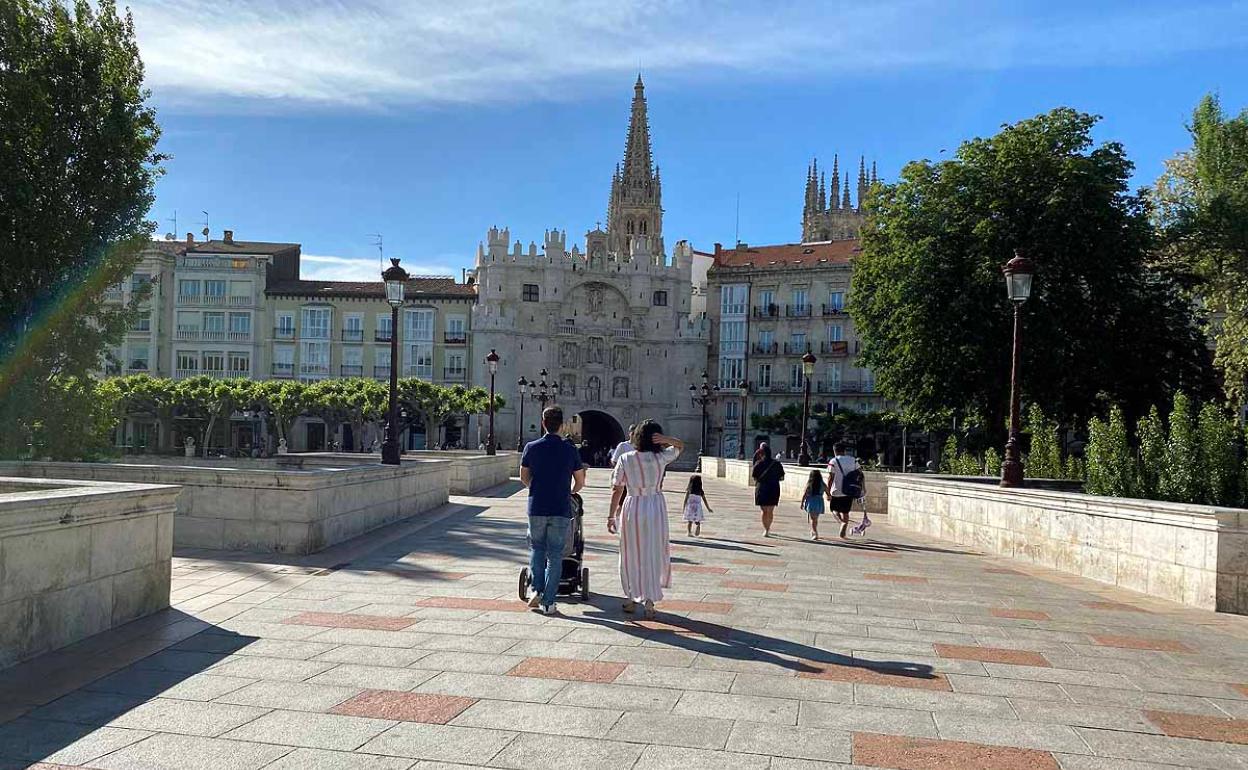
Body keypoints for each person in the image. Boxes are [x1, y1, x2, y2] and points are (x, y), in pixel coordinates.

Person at [608, 421, 684, 619]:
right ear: (656, 438)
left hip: (633, 505)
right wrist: (666, 440)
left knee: (630, 551)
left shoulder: (625, 458)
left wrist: (611, 515)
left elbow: (617, 488)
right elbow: (680, 446)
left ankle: (632, 598)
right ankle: (649, 601)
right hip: (656, 506)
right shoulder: (661, 457)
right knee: (652, 550)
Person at [520, 407, 586, 614]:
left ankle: (536, 590)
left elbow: (524, 477)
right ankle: (549, 602)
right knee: (555, 554)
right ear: (562, 425)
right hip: (560, 507)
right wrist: (570, 491)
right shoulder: (570, 449)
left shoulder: (531, 447)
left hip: (537, 505)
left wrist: (538, 488)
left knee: (537, 549)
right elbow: (580, 481)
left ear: (543, 423)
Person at [827, 441, 865, 538]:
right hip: (849, 490)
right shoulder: (853, 460)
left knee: (834, 509)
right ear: (844, 450)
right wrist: (862, 488)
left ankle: (841, 523)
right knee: (845, 511)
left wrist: (828, 491)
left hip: (836, 490)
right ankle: (843, 532)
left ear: (834, 451)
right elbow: (860, 474)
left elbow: (830, 477)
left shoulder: (833, 461)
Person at [751, 442, 785, 537]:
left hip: (762, 488)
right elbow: (782, 477)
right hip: (774, 488)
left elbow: (754, 476)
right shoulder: (777, 464)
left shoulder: (759, 464)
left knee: (764, 511)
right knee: (770, 511)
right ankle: (768, 528)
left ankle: (765, 529)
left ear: (761, 453)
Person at [801, 469, 826, 541]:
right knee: (815, 518)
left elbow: (805, 494)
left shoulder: (810, 484)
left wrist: (802, 503)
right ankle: (813, 531)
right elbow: (827, 492)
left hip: (811, 501)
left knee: (813, 519)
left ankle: (815, 532)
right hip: (819, 502)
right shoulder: (822, 484)